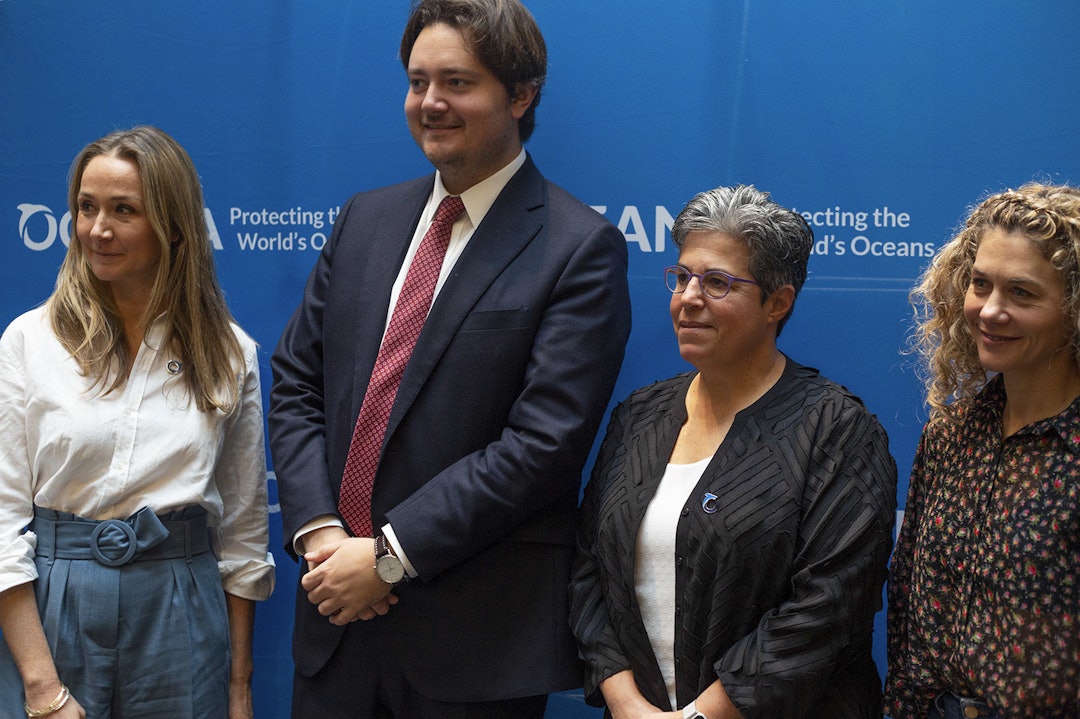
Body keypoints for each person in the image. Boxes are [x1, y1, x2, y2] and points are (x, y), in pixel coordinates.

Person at [267, 0, 631, 716]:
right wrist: (320, 534)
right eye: (417, 81)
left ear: (521, 95)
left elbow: (542, 445)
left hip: (469, 648)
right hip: (334, 623)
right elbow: (296, 383)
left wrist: (388, 557)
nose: (430, 102)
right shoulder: (363, 219)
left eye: (457, 83)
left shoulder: (578, 247)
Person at [570, 184, 898, 719]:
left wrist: (701, 717)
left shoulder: (836, 429)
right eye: (681, 277)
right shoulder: (640, 415)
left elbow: (827, 608)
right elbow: (588, 571)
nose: (688, 298)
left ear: (778, 302)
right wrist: (627, 704)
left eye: (717, 282)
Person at [0, 126, 275, 718]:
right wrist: (43, 689)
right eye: (86, 207)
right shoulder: (29, 341)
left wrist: (239, 686)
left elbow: (245, 536)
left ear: (172, 225)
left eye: (123, 210)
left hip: (182, 613)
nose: (97, 229)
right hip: (52, 610)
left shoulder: (230, 353)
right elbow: (1, 521)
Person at [885, 183, 1080, 719]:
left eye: (1022, 293)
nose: (991, 311)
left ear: (1074, 309)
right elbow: (906, 602)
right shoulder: (949, 435)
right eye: (980, 284)